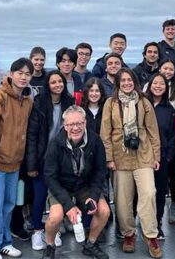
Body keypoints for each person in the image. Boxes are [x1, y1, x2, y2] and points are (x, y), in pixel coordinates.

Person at [100, 68, 162, 258]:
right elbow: (105, 133)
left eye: (129, 80)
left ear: (134, 81)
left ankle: (150, 235)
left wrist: (156, 156)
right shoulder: (110, 103)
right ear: (118, 83)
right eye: (123, 80)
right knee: (122, 199)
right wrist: (109, 158)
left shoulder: (144, 102)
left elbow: (153, 130)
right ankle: (129, 234)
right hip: (120, 157)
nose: (126, 83)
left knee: (149, 193)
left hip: (143, 154)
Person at [0, 58, 35, 259]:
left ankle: (5, 242)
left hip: (15, 161)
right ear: (11, 74)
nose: (23, 77)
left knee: (9, 204)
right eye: (19, 73)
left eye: (27, 74)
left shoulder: (27, 100)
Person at [42, 106, 112, 259]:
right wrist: (69, 206)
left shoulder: (95, 140)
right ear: (65, 125)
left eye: (79, 123)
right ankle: (49, 245)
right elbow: (49, 177)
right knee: (55, 216)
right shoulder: (55, 144)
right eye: (71, 124)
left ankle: (91, 243)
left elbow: (100, 171)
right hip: (61, 185)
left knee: (104, 210)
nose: (75, 128)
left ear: (85, 123)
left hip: (84, 184)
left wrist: (93, 196)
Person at [26, 71, 75, 250]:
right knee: (39, 196)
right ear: (48, 84)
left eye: (60, 82)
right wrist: (31, 164)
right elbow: (32, 135)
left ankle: (55, 229)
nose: (57, 85)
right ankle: (38, 230)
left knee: (59, 195)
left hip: (61, 158)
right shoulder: (39, 103)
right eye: (53, 82)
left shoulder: (69, 102)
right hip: (41, 157)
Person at [146, 74, 175, 239]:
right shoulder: (142, 104)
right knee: (142, 192)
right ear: (150, 85)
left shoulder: (169, 109)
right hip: (142, 157)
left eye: (162, 84)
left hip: (162, 157)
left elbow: (172, 135)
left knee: (159, 192)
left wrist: (168, 156)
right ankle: (141, 222)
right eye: (155, 83)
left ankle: (157, 223)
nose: (158, 86)